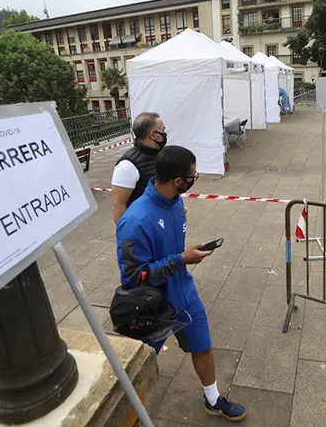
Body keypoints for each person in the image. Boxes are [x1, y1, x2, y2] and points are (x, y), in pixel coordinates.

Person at [115, 146, 247, 422]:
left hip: (184, 294)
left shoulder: (175, 201)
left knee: (203, 347)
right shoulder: (135, 220)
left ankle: (213, 399)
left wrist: (185, 256)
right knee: (137, 364)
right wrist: (182, 259)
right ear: (177, 180)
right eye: (192, 175)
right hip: (152, 308)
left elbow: (169, 250)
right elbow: (134, 276)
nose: (194, 178)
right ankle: (125, 415)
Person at [111, 112, 167, 224]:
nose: (165, 133)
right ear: (153, 135)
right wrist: (128, 237)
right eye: (163, 130)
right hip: (143, 228)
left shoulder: (159, 154)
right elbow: (118, 205)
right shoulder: (127, 165)